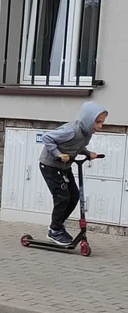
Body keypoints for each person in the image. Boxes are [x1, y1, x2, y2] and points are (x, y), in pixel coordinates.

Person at [40, 102, 108, 245]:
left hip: (64, 167)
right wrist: (58, 154)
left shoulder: (86, 133)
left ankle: (58, 226)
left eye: (102, 122)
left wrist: (88, 153)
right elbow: (47, 137)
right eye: (98, 122)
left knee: (74, 196)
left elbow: (77, 146)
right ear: (88, 119)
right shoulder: (71, 130)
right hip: (50, 166)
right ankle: (55, 230)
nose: (100, 126)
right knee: (62, 197)